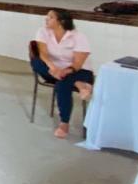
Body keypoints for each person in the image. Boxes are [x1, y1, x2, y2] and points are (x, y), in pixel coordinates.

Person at [32, 9, 94, 139]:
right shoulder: (43, 32)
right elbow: (43, 54)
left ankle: (64, 123)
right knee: (36, 62)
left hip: (77, 70)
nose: (46, 19)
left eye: (51, 17)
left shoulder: (78, 36)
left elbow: (78, 63)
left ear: (61, 21)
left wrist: (64, 71)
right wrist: (53, 68)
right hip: (52, 69)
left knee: (62, 85)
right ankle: (80, 85)